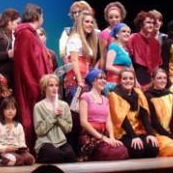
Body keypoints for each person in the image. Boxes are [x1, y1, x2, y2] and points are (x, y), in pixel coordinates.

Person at [13, 3, 52, 154]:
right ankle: (35, 150)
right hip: (33, 85)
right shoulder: (25, 34)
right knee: (32, 117)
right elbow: (25, 64)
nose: (43, 19)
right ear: (37, 16)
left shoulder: (32, 33)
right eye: (42, 16)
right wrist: (35, 85)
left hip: (40, 83)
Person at [64, 11, 98, 154]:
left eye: (91, 22)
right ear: (80, 23)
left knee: (83, 118)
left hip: (86, 81)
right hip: (75, 82)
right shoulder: (75, 39)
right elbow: (74, 60)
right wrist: (79, 80)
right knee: (75, 118)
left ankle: (81, 151)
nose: (89, 24)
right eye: (86, 22)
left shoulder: (88, 40)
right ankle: (71, 152)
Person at [79, 68, 129, 161]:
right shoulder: (85, 96)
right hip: (90, 136)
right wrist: (102, 138)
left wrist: (112, 138)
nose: (104, 81)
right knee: (110, 153)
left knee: (123, 150)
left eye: (105, 78)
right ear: (93, 81)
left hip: (104, 134)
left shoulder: (106, 99)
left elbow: (108, 121)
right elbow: (83, 122)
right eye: (100, 78)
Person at [108, 68, 159, 158]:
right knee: (138, 149)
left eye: (131, 78)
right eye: (125, 79)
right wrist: (134, 137)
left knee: (153, 147)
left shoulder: (138, 92)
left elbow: (144, 115)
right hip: (123, 132)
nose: (128, 81)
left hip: (138, 130)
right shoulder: (114, 94)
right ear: (119, 80)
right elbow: (122, 119)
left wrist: (150, 134)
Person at [145, 68, 173, 156]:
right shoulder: (148, 96)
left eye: (164, 78)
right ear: (153, 79)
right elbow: (154, 122)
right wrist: (170, 136)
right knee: (171, 149)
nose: (163, 81)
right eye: (159, 78)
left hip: (171, 131)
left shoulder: (170, 94)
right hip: (157, 132)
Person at [33, 74, 77, 163]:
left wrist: (59, 119)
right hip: (45, 142)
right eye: (51, 85)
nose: (55, 88)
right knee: (56, 155)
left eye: (56, 85)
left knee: (70, 156)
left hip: (61, 142)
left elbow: (68, 128)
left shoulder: (64, 105)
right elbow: (39, 130)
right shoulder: (38, 106)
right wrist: (53, 116)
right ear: (44, 88)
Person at [0, 96, 35, 166]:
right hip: (3, 152)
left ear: (16, 110)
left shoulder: (19, 125)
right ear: (2, 110)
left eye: (13, 108)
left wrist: (23, 148)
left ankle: (17, 160)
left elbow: (22, 142)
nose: (10, 111)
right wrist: (5, 148)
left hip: (16, 152)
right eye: (7, 109)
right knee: (17, 159)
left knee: (30, 159)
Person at [127, 11, 162, 91]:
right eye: (148, 22)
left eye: (153, 23)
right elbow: (128, 63)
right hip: (136, 75)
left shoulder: (155, 42)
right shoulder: (133, 38)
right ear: (141, 24)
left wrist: (155, 81)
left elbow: (156, 65)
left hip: (150, 78)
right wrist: (134, 80)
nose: (151, 25)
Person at [0, 8, 21, 88]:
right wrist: (6, 54)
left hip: (10, 77)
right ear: (9, 22)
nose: (19, 26)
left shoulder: (11, 36)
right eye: (17, 23)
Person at [99, 1, 127, 70]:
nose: (114, 19)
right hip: (111, 69)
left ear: (121, 17)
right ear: (107, 19)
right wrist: (102, 72)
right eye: (111, 17)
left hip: (125, 69)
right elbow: (103, 57)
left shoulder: (125, 31)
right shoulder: (105, 34)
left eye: (117, 17)